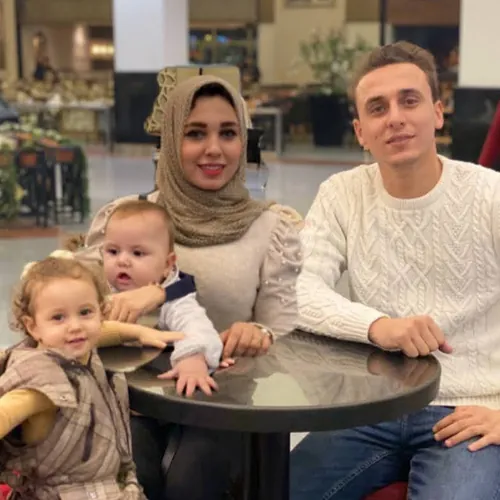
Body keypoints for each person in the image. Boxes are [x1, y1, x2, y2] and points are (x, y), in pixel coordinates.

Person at [291, 41, 500, 500]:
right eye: (377, 108)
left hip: (469, 409)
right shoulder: (342, 194)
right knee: (269, 486)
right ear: (360, 131)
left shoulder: (490, 195)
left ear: (438, 113)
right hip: (373, 406)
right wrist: (379, 326)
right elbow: (295, 289)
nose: (395, 118)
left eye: (409, 101)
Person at [80, 74, 303, 500]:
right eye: (195, 133)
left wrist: (259, 333)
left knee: (191, 479)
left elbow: (285, 328)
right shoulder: (129, 220)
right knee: (133, 473)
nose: (214, 149)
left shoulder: (270, 228)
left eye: (228, 133)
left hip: (223, 397)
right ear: (169, 140)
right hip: (133, 397)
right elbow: (76, 302)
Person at [0, 252, 181, 499]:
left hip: (106, 487)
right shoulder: (40, 380)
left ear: (100, 311)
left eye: (85, 312)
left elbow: (102, 331)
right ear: (33, 327)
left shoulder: (77, 349)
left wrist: (139, 333)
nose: (76, 326)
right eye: (58, 317)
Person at [102, 198, 225, 395]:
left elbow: (197, 329)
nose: (122, 260)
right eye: (113, 251)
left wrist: (193, 359)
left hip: (153, 387)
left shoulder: (175, 301)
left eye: (137, 253)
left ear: (168, 264)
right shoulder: (98, 286)